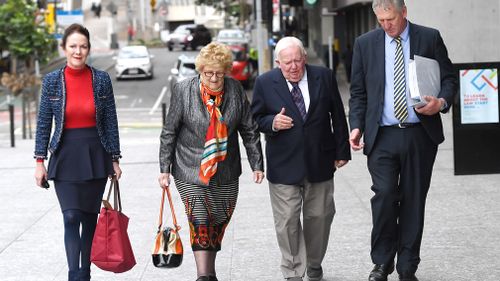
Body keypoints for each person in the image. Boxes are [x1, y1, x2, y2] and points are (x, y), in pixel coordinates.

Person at [348, 1, 457, 281]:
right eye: (381, 20)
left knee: (413, 200)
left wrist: (441, 103)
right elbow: (358, 92)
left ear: (404, 12)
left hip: (419, 133)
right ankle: (382, 262)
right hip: (382, 135)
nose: (386, 25)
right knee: (384, 195)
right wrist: (356, 126)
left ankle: (407, 265)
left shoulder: (429, 37)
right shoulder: (365, 44)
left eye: (391, 19)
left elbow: (449, 79)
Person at [158, 42, 264, 281]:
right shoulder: (183, 90)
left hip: (226, 169)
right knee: (200, 220)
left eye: (219, 73)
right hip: (190, 168)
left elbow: (249, 129)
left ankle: (209, 272)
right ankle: (204, 276)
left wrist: (256, 163)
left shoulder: (235, 90)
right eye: (208, 73)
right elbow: (169, 132)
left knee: (217, 221)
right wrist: (164, 169)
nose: (214, 78)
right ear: (200, 71)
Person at [251, 36, 351, 281]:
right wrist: (272, 122)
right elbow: (255, 120)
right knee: (287, 221)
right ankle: (294, 270)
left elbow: (337, 114)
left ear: (305, 58)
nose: (294, 67)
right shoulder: (265, 82)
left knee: (320, 216)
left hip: (320, 160)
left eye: (298, 60)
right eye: (287, 63)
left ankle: (314, 263)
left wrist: (342, 151)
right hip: (283, 163)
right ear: (278, 63)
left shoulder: (324, 76)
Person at [33, 23, 122, 281]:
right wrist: (40, 162)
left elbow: (110, 121)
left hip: (96, 153)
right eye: (73, 46)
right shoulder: (51, 81)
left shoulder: (101, 79)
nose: (78, 51)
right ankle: (75, 275)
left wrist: (114, 158)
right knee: (71, 216)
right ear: (64, 48)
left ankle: (85, 273)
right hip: (65, 154)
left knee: (90, 220)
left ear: (89, 49)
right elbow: (43, 124)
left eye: (83, 46)